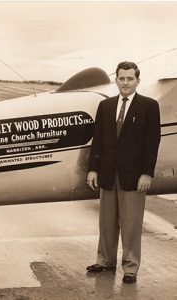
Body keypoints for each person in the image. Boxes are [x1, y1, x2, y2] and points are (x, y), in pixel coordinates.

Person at [86, 61, 160, 284]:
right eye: (121, 78)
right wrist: (92, 169)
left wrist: (147, 173)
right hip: (108, 174)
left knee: (131, 223)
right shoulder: (105, 106)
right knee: (106, 222)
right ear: (116, 79)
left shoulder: (149, 106)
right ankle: (105, 260)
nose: (125, 82)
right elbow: (97, 141)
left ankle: (130, 267)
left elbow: (152, 142)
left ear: (137, 80)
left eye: (130, 78)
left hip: (134, 176)